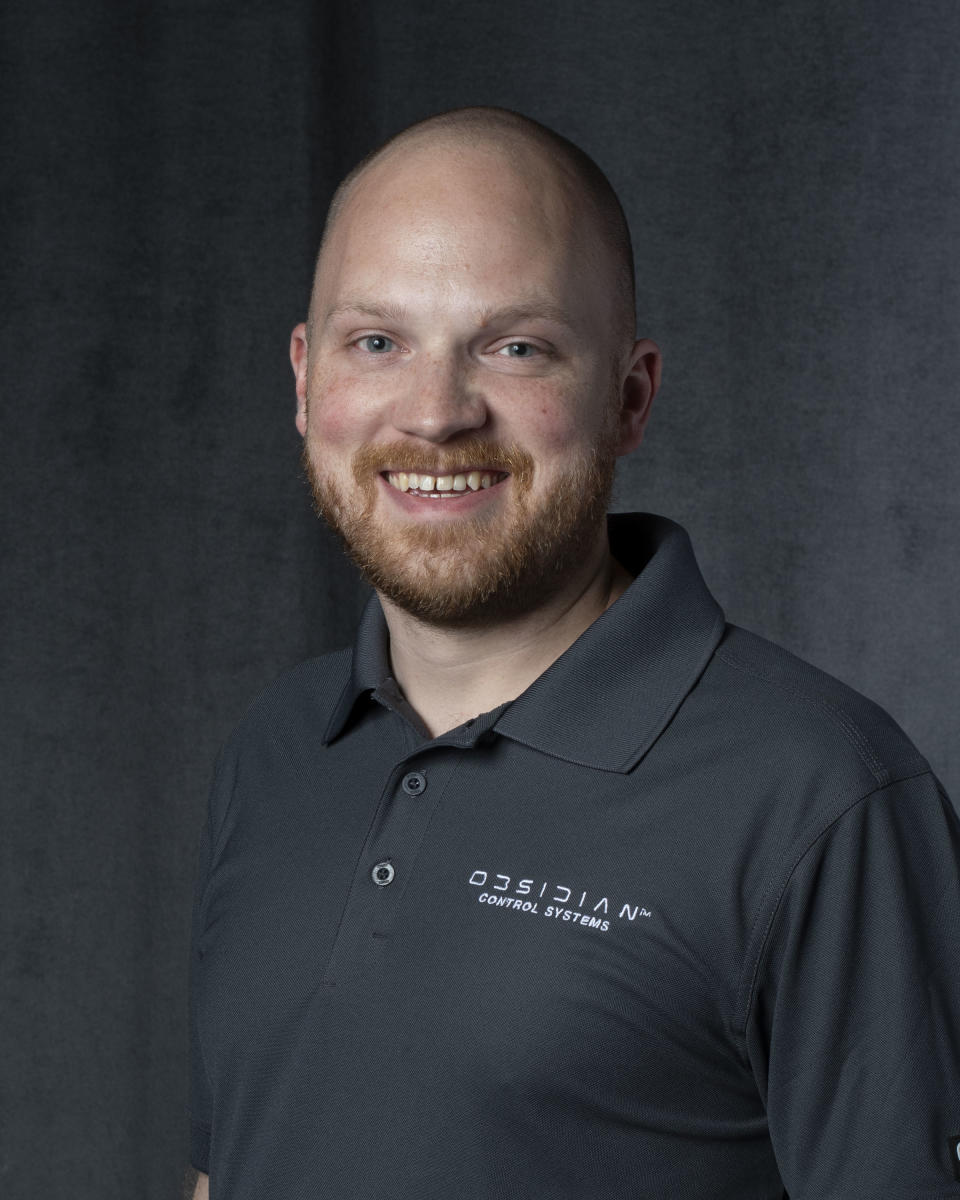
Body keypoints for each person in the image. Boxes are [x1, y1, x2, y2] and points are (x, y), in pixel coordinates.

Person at [186, 107, 960, 1200]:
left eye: (515, 347)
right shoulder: (276, 752)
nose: (438, 413)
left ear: (629, 398)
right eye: (379, 342)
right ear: (308, 381)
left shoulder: (822, 799)